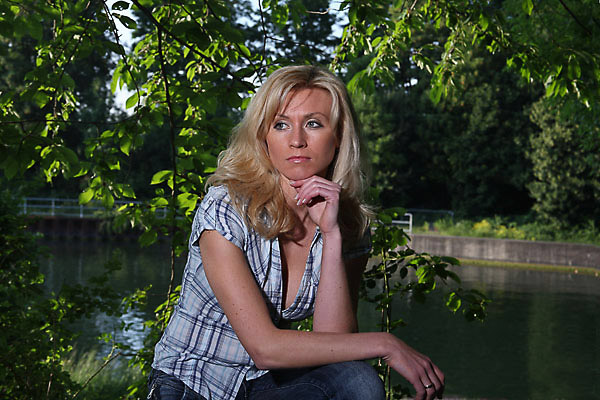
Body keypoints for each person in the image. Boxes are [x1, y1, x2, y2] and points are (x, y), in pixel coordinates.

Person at [149, 65, 444, 400]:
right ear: (263, 137)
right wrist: (385, 343)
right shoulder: (227, 208)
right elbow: (264, 348)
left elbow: (336, 347)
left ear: (338, 136)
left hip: (264, 385)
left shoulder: (349, 226)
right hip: (192, 382)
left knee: (358, 381)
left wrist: (332, 236)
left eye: (314, 123)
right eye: (281, 124)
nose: (297, 140)